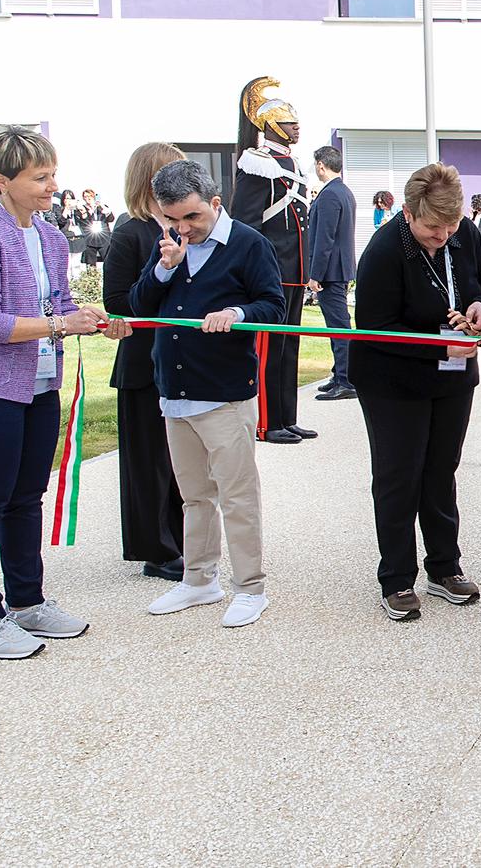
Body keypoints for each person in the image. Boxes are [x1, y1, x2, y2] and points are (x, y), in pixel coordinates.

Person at [0, 127, 116, 660]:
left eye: (53, 174)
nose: (54, 186)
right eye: (40, 177)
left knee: (27, 498)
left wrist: (92, 321)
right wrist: (57, 324)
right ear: (2, 181)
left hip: (40, 385)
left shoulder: (48, 235)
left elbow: (63, 305)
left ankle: (27, 603)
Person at [128, 160, 285, 629]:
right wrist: (162, 268)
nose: (182, 228)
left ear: (215, 204)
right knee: (193, 495)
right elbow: (139, 307)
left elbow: (274, 305)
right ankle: (199, 579)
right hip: (175, 393)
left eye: (192, 218)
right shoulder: (169, 248)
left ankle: (250, 587)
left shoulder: (248, 244)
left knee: (237, 496)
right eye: (171, 219)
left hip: (224, 393)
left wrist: (236, 312)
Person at [349, 164, 481, 622]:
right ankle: (395, 578)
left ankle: (444, 567)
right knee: (399, 476)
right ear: (410, 214)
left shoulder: (463, 233)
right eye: (434, 227)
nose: (444, 234)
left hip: (452, 376)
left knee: (440, 471)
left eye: (451, 225)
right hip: (393, 381)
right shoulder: (384, 250)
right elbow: (375, 328)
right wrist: (438, 339)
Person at [104, 141, 188, 581]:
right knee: (150, 461)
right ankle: (155, 548)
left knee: (181, 460)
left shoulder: (187, 228)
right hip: (143, 363)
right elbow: (116, 301)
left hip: (182, 361)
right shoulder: (131, 230)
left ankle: (182, 538)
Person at [231, 77, 315, 445]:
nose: (297, 128)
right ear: (273, 125)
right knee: (267, 349)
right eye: (291, 123)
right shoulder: (257, 163)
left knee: (288, 346)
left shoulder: (292, 164)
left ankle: (287, 415)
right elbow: (246, 222)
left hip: (293, 271)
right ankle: (266, 422)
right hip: (271, 272)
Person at [307, 145, 357, 402]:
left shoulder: (329, 195)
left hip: (331, 271)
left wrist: (315, 274)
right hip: (340, 267)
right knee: (338, 324)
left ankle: (345, 379)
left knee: (338, 326)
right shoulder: (344, 192)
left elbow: (324, 238)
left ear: (320, 165)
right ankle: (339, 373)